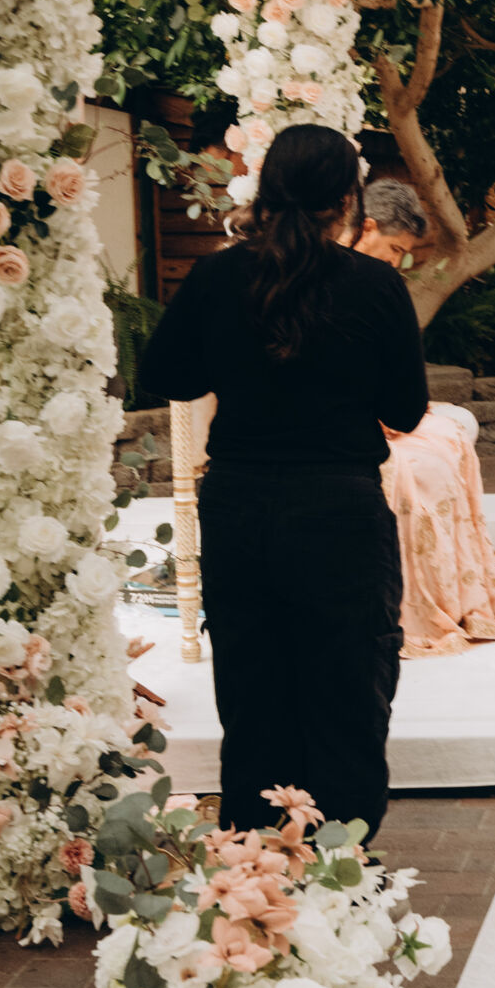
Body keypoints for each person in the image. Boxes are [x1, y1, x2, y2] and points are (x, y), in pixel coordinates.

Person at [138, 124, 426, 843]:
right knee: (348, 690)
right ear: (348, 201)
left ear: (266, 191)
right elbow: (405, 409)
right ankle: (340, 859)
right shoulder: (376, 285)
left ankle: (257, 863)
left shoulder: (216, 277)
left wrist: (234, 358)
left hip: (240, 508)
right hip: (339, 509)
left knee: (253, 689)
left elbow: (166, 373)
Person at [355, 179, 495, 656]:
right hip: (341, 420)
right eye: (396, 249)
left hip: (382, 410)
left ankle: (458, 588)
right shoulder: (326, 279)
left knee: (455, 429)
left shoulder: (380, 283)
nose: (399, 261)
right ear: (366, 227)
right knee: (424, 465)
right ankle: (410, 602)